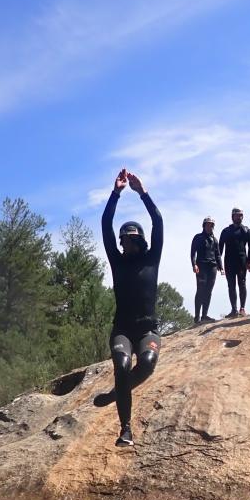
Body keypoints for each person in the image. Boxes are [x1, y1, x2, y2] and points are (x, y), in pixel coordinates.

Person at [94, 169, 163, 447]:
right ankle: (126, 429)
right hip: (122, 329)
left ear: (140, 240)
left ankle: (116, 393)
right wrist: (116, 193)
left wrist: (142, 193)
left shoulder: (151, 259)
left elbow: (158, 222)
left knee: (145, 365)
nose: (125, 243)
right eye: (123, 240)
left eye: (131, 239)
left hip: (147, 329)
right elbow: (105, 224)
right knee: (122, 365)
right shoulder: (117, 261)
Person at [190, 215, 223, 323]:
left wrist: (221, 267)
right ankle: (197, 316)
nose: (210, 227)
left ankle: (204, 315)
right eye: (208, 225)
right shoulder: (198, 237)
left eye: (211, 225)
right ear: (204, 226)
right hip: (201, 266)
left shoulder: (215, 239)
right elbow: (193, 253)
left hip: (212, 267)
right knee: (200, 290)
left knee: (209, 291)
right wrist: (194, 264)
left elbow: (218, 254)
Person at [219, 207, 250, 316]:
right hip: (229, 262)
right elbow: (220, 249)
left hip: (242, 262)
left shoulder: (246, 230)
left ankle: (242, 308)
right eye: (237, 215)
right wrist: (219, 264)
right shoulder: (226, 231)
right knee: (231, 286)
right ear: (233, 216)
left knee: (242, 284)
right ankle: (234, 309)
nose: (239, 217)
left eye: (241, 215)